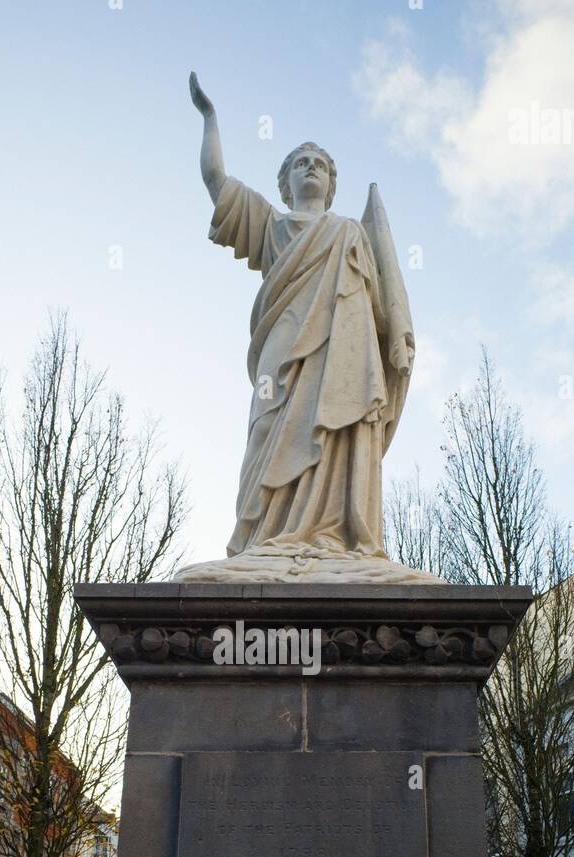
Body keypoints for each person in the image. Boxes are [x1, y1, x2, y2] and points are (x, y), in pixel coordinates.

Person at [189, 72, 415, 569]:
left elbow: (381, 303)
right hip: (283, 343)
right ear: (286, 183)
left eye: (321, 165)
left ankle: (333, 532)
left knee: (338, 427)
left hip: (344, 353)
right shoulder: (271, 225)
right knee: (266, 430)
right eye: (301, 163)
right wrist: (210, 118)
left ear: (331, 186)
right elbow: (215, 181)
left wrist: (396, 339)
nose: (312, 168)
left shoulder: (350, 232)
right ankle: (263, 537)